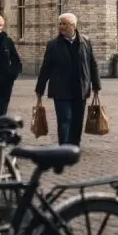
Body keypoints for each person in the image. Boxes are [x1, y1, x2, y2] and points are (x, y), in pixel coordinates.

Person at [35, 13, 101, 146]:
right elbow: (45, 68)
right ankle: (64, 146)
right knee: (64, 118)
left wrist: (96, 84)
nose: (61, 27)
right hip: (61, 89)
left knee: (77, 119)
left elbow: (92, 64)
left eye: (64, 24)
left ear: (73, 26)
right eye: (60, 24)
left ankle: (75, 145)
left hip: (80, 87)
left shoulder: (85, 42)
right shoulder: (53, 45)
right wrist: (40, 89)